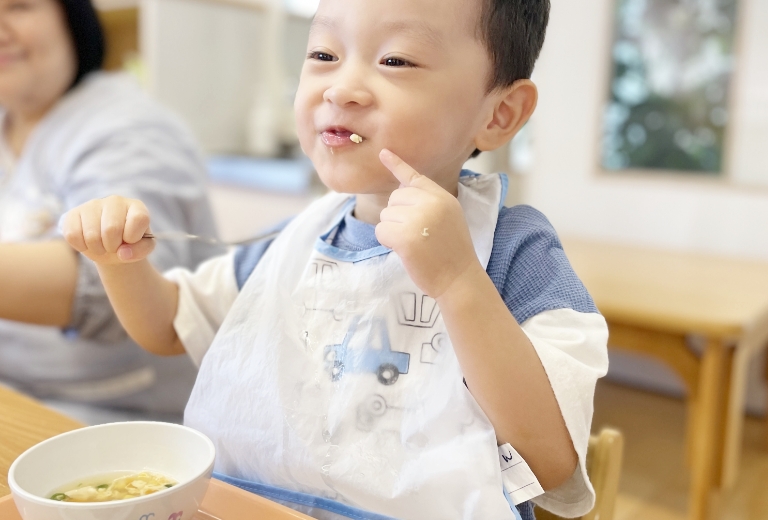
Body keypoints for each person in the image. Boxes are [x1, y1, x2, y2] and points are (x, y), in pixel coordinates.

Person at [61, 0, 610, 517]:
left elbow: (551, 462)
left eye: (395, 60)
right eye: (323, 54)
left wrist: (459, 280)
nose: (342, 88)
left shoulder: (516, 252)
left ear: (499, 113)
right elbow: (166, 324)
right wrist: (119, 263)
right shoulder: (298, 241)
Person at [0, 0, 220, 423]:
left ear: (72, 18)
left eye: (20, 7)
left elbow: (112, 281)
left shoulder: (130, 127)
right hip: (16, 397)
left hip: (114, 418)